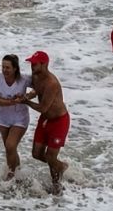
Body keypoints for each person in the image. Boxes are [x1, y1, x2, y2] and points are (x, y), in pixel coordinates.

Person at [22, 51, 69, 194]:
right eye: (31, 63)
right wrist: (30, 94)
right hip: (45, 120)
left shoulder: (52, 83)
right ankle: (59, 166)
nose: (32, 66)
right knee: (36, 153)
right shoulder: (36, 76)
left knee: (50, 156)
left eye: (35, 64)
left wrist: (26, 101)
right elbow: (37, 90)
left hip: (59, 121)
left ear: (44, 64)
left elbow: (43, 107)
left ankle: (58, 177)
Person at [0, 54, 32, 179]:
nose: (4, 70)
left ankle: (11, 175)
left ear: (15, 68)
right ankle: (18, 173)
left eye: (7, 67)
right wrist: (13, 102)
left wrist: (27, 97)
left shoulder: (24, 79)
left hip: (20, 118)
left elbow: (38, 89)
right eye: (3, 67)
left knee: (10, 145)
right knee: (10, 149)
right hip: (3, 119)